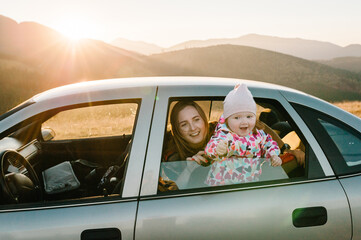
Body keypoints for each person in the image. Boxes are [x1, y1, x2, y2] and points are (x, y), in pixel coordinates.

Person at [204, 84, 282, 186]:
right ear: (227, 120)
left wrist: (273, 155)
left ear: (255, 117)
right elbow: (211, 146)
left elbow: (269, 143)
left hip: (248, 185)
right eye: (237, 118)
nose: (244, 122)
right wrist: (218, 149)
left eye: (249, 116)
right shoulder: (224, 134)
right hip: (221, 186)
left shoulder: (258, 134)